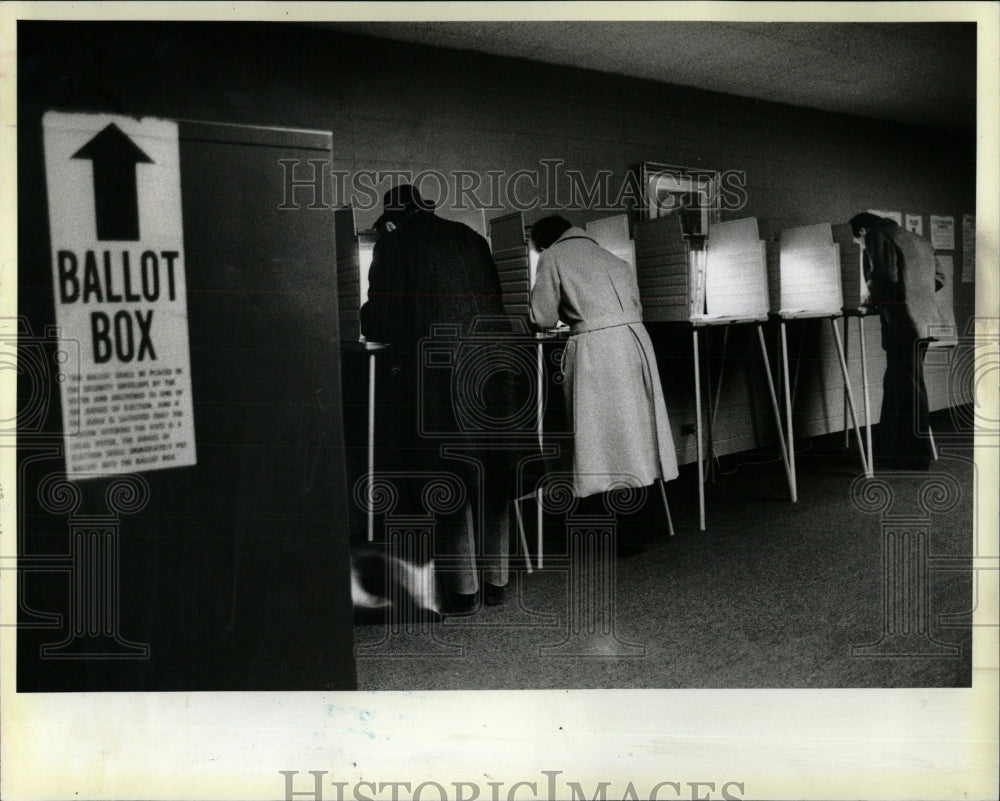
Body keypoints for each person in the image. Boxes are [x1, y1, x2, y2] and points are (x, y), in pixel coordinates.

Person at [360, 184, 522, 613]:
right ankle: (498, 583)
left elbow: (381, 320)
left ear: (393, 219)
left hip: (444, 371)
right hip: (497, 364)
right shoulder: (471, 236)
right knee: (493, 469)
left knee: (454, 471)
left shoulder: (393, 245)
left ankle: (465, 592)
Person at [528, 214, 678, 503]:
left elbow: (542, 317)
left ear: (545, 241)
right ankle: (637, 513)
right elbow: (636, 306)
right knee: (634, 431)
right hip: (635, 342)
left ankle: (603, 513)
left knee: (598, 435)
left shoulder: (552, 256)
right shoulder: (613, 258)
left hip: (596, 348)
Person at [849, 212, 948, 470]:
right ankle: (891, 450)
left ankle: (916, 455)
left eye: (858, 243)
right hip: (926, 321)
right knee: (898, 382)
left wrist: (868, 301)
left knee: (909, 384)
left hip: (904, 323)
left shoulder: (875, 235)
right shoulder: (917, 239)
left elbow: (883, 276)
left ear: (861, 231)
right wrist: (915, 295)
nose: (861, 247)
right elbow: (939, 278)